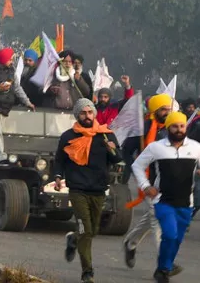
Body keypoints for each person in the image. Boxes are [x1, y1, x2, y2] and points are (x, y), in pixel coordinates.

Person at [54, 99, 122, 283]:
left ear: (94, 114)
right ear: (77, 115)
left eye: (90, 112)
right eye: (83, 113)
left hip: (99, 190)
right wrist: (58, 177)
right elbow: (59, 159)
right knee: (86, 230)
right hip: (78, 190)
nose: (87, 116)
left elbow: (117, 159)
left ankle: (73, 239)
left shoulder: (106, 135)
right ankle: (87, 272)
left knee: (93, 230)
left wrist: (112, 150)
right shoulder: (68, 136)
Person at [131, 111, 200, 283]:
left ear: (186, 127)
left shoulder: (195, 147)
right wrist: (146, 186)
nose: (178, 129)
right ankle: (163, 270)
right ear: (168, 127)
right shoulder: (156, 147)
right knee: (169, 235)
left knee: (176, 239)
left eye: (182, 126)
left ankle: (163, 267)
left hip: (186, 202)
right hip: (163, 201)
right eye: (175, 126)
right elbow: (137, 165)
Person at [122, 93, 179, 273]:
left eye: (169, 109)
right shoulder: (142, 128)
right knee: (158, 219)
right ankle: (166, 262)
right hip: (148, 180)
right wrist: (138, 167)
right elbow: (126, 151)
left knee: (151, 218)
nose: (166, 112)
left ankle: (130, 243)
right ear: (155, 111)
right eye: (163, 109)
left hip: (170, 181)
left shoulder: (173, 128)